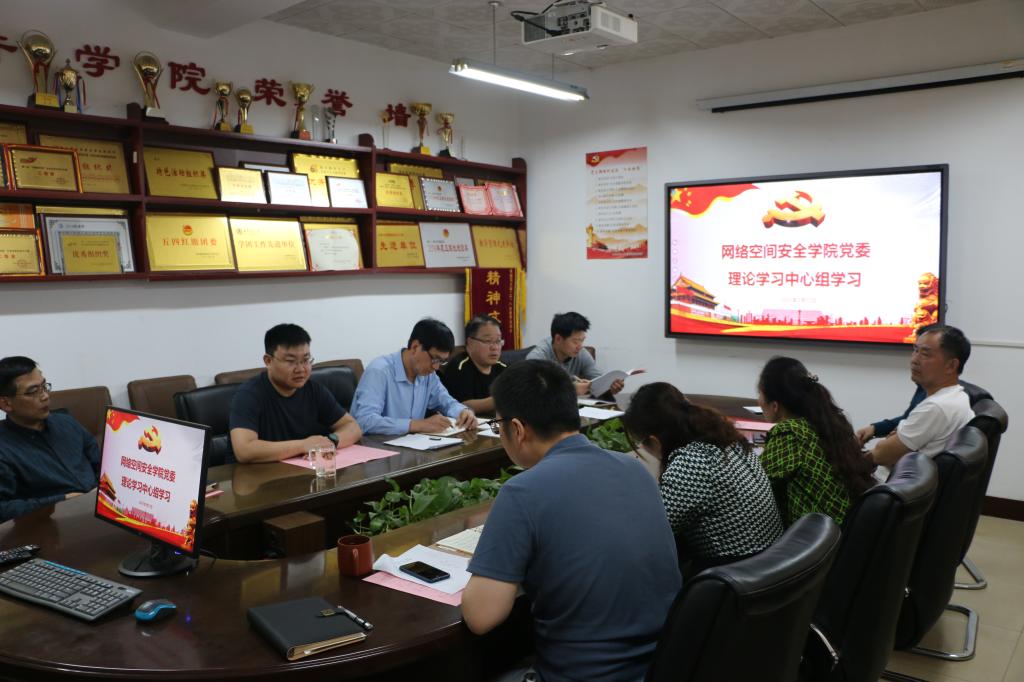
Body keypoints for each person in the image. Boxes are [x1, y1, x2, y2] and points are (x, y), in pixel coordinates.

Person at [462, 360, 681, 682]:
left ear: (518, 429)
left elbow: (481, 616)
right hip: (660, 667)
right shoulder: (635, 470)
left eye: (498, 426)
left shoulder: (522, 491)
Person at [622, 382, 783, 572]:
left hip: (737, 572)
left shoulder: (692, 462)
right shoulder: (724, 436)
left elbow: (650, 529)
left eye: (640, 443)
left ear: (654, 440)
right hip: (770, 558)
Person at [758, 357, 876, 527]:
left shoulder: (790, 433)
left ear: (775, 405)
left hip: (817, 538)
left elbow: (754, 484)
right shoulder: (828, 422)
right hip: (841, 532)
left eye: (760, 393)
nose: (759, 400)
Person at [229, 324, 361, 463]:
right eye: (291, 361)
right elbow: (245, 450)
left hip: (302, 469)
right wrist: (303, 445)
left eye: (305, 360)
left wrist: (329, 442)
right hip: (255, 474)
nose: (301, 369)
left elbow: (352, 427)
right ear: (268, 361)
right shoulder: (248, 395)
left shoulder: (314, 389)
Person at [0, 356, 99, 522]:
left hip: (100, 508)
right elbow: (3, 508)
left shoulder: (66, 422)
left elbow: (101, 463)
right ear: (6, 404)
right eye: (33, 391)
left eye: (44, 386)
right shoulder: (4, 448)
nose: (45, 396)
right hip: (52, 524)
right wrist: (59, 501)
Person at [869, 324, 974, 467]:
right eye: (915, 350)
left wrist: (898, 433)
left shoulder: (937, 407)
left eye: (925, 354)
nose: (914, 360)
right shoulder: (956, 396)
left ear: (951, 366)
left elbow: (880, 455)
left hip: (892, 480)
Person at [351, 318, 475, 435]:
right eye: (435, 359)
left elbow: (446, 402)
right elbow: (365, 421)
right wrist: (417, 425)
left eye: (442, 361)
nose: (436, 367)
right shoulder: (379, 371)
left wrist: (463, 412)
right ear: (415, 347)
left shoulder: (428, 374)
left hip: (411, 445)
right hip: (375, 446)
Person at [526, 311, 623, 397]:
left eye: (582, 340)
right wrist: (571, 389)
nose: (580, 346)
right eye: (575, 341)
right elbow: (534, 392)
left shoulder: (581, 353)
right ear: (558, 339)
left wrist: (609, 387)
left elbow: (598, 379)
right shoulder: (537, 357)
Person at [439, 315, 506, 415]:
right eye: (488, 341)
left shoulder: (503, 367)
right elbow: (460, 406)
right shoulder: (460, 366)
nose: (495, 347)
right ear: (470, 343)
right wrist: (502, 399)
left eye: (498, 341)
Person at [855, 385, 925, 445]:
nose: (912, 368)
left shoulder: (930, 404)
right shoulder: (923, 388)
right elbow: (907, 419)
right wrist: (874, 428)